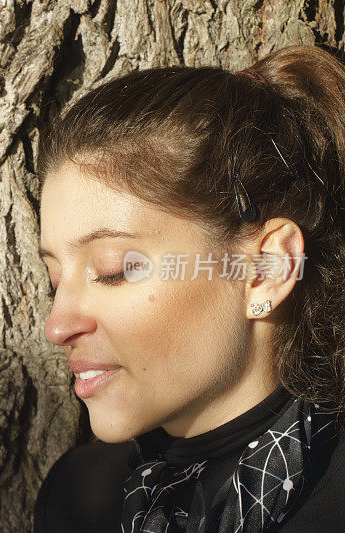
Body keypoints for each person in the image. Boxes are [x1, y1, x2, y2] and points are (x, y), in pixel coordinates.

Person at [32, 43, 345, 532]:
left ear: (267, 268)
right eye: (55, 278)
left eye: (113, 270)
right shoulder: (75, 497)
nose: (57, 326)